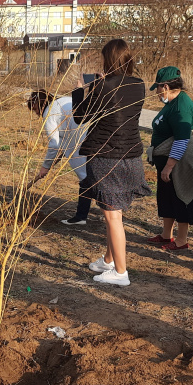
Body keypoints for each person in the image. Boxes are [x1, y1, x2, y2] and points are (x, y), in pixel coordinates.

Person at [72, 39, 150, 286]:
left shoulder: (102, 87)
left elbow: (79, 117)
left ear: (108, 59)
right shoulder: (139, 84)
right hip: (132, 157)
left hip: (107, 158)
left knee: (112, 216)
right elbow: (118, 97)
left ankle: (120, 273)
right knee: (113, 213)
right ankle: (108, 260)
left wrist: (81, 90)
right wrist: (100, 84)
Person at [146, 66, 193, 250]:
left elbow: (182, 140)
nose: (157, 93)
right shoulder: (172, 103)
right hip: (168, 160)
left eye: (158, 88)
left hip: (179, 162)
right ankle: (167, 235)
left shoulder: (181, 106)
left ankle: (182, 240)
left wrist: (169, 166)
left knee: (182, 197)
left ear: (165, 87)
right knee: (167, 197)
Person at [27, 89, 92, 225]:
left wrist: (45, 167)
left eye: (35, 109)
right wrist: (55, 159)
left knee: (86, 179)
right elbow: (61, 143)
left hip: (80, 140)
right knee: (92, 176)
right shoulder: (63, 101)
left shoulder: (49, 112)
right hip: (91, 135)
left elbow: (54, 144)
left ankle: (81, 217)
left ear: (38, 104)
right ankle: (93, 213)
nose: (36, 113)